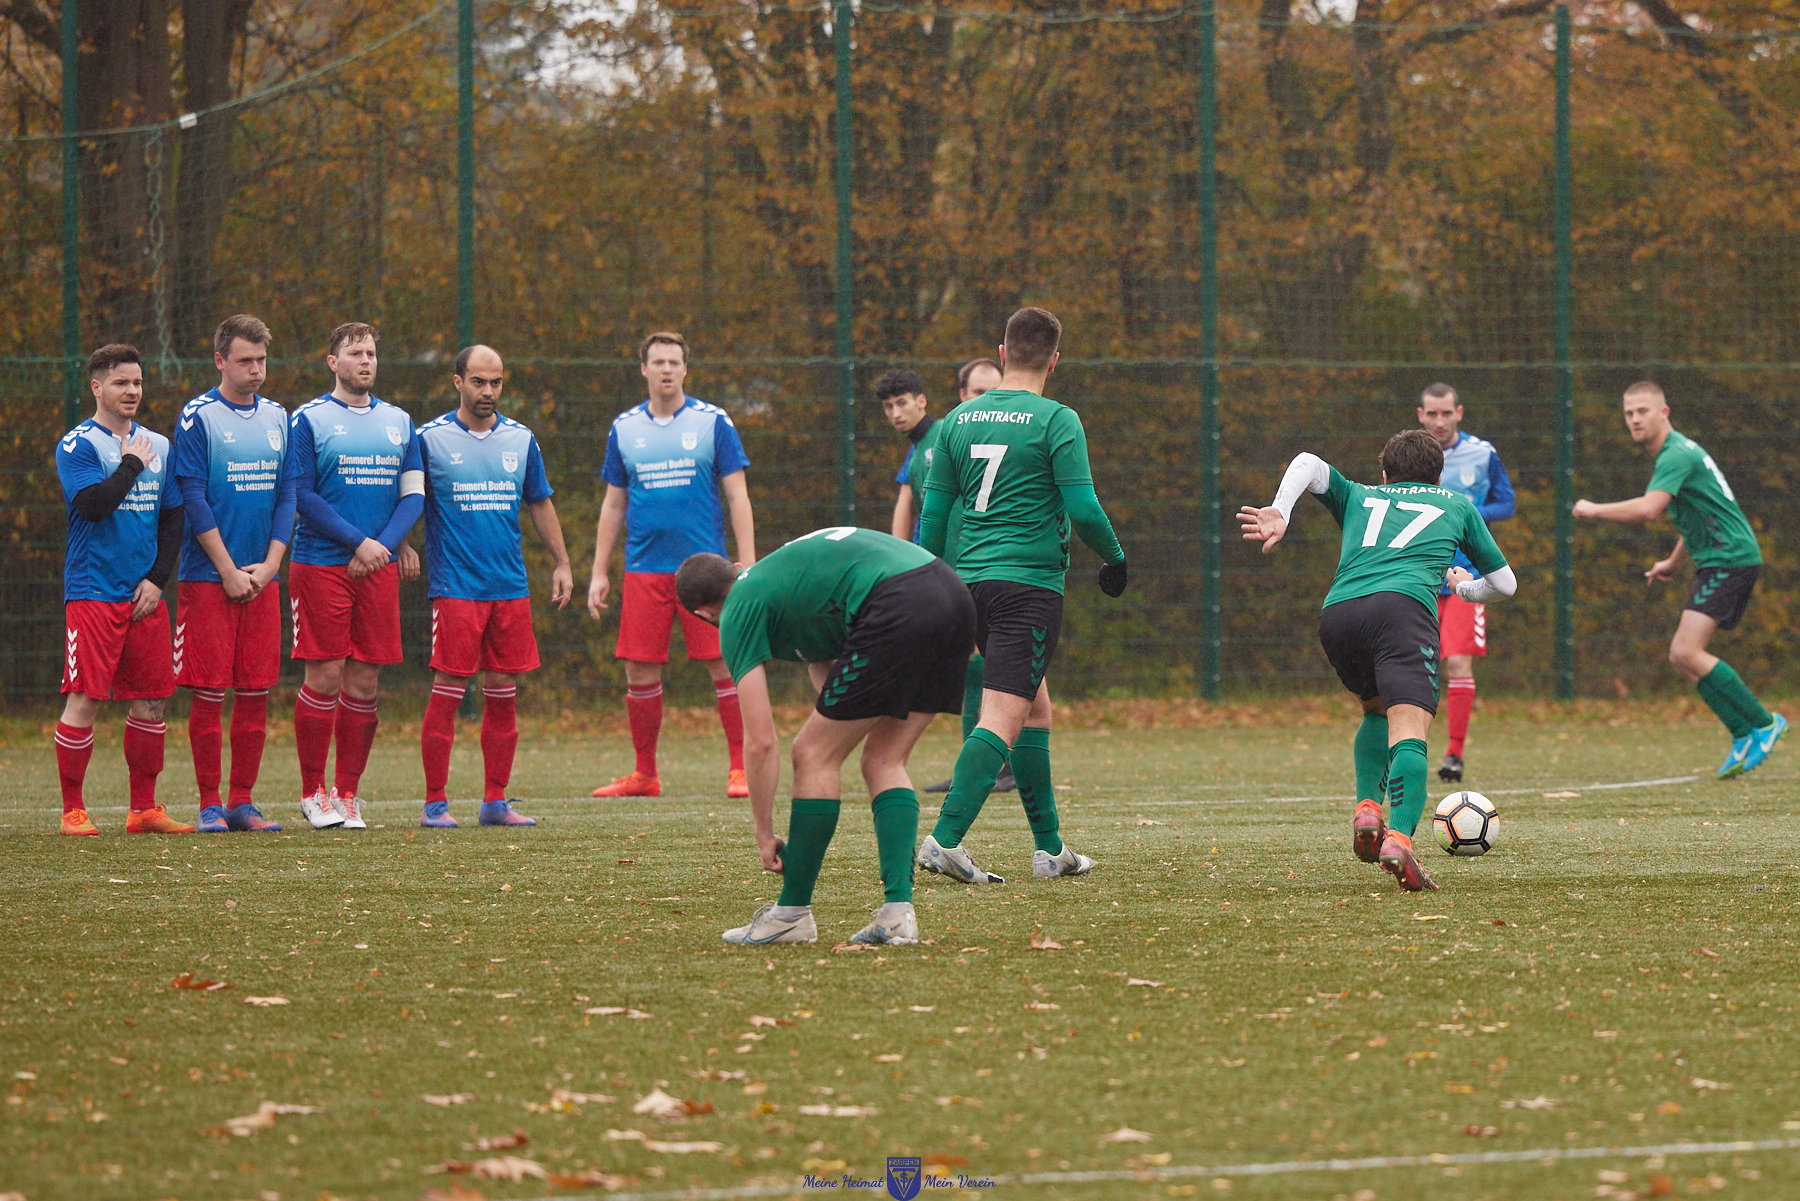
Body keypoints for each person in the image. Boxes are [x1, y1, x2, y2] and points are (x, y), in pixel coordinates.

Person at [1238, 430, 1518, 891]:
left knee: (1374, 709)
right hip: (1402, 611)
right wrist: (1462, 587)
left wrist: (1281, 511)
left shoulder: (1359, 495)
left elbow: (1307, 460)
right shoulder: (1457, 505)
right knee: (1409, 728)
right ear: (1439, 477)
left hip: (1339, 613)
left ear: (1385, 475)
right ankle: (1400, 840)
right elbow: (1505, 584)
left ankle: (1368, 809)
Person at [676, 526, 975, 946]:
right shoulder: (782, 580)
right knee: (882, 759)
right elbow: (830, 668)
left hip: (898, 600)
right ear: (737, 567)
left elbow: (761, 741)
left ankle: (791, 914)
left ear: (705, 615)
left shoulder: (738, 608)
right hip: (953, 596)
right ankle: (897, 915)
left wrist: (764, 832)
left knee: (811, 753)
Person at [915, 308, 1127, 885]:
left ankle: (1051, 850)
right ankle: (944, 839)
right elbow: (1083, 509)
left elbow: (934, 513)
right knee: (1004, 715)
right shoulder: (1057, 419)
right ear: (1055, 361)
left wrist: (925, 577)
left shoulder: (957, 420)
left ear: (1003, 354)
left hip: (969, 583)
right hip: (1027, 588)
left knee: (1034, 708)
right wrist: (1115, 558)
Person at [1573, 382, 1785, 777]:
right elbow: (1700, 514)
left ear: (1664, 412)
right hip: (1720, 559)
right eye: (1628, 413)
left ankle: (1764, 723)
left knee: (1687, 651)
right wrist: (1672, 562)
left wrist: (1594, 509)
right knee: (1680, 656)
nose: (1635, 419)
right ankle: (1743, 733)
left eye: (1642, 411)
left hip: (1729, 559)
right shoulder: (1677, 453)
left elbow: (1649, 509)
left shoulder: (1675, 454)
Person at [587, 332, 755, 799]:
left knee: (724, 665)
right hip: (644, 568)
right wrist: (599, 571)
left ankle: (740, 769)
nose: (666, 369)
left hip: (706, 570)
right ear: (643, 369)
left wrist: (748, 562)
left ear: (685, 369)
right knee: (639, 672)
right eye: (658, 361)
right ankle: (645, 774)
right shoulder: (624, 428)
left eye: (674, 362)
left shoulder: (713, 421)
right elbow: (614, 504)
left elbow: (738, 494)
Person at [417, 345, 573, 828]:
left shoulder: (521, 439)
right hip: (456, 586)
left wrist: (562, 563)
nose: (488, 391)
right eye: (479, 382)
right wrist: (400, 544)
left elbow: (540, 502)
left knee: (504, 692)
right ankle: (435, 803)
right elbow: (403, 498)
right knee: (449, 688)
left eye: (496, 382)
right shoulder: (429, 439)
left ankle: (495, 801)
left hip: (509, 586)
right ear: (457, 382)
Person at [284, 322, 423, 830]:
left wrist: (380, 547)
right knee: (324, 677)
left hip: (377, 567)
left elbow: (413, 495)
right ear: (333, 362)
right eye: (355, 352)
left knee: (364, 682)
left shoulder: (400, 422)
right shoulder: (308, 419)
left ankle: (348, 795)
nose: (366, 361)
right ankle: (312, 792)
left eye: (371, 353)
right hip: (321, 563)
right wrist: (358, 542)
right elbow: (301, 494)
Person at [54, 344, 189, 835]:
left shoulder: (160, 445)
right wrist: (130, 464)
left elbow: (173, 517)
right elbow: (92, 506)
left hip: (144, 596)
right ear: (97, 387)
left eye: (137, 382)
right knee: (85, 699)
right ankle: (73, 810)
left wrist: (157, 579)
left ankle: (144, 810)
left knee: (151, 701)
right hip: (93, 591)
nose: (132, 391)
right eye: (121, 383)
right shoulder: (78, 445)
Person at [171, 314, 294, 833]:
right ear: (220, 360)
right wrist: (226, 569)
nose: (256, 370)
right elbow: (192, 497)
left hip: (262, 577)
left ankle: (243, 802)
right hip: (209, 578)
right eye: (245, 361)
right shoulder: (197, 417)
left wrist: (271, 565)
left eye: (262, 360)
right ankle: (209, 803)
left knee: (255, 691)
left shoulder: (279, 417)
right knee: (209, 691)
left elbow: (288, 494)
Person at [906, 358, 1016, 797]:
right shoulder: (944, 440)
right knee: (975, 667)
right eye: (977, 393)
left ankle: (995, 766)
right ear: (962, 397)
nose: (987, 401)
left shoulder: (1023, 435)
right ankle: (984, 765)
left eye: (994, 391)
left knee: (996, 666)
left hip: (1005, 568)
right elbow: (921, 505)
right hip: (957, 568)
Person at [1416, 383, 1515, 783]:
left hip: (1466, 576)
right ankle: (1409, 749)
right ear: (1420, 415)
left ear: (1459, 412)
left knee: (1457, 661)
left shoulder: (1483, 453)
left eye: (1446, 413)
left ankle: (1454, 754)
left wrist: (1470, 513)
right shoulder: (1411, 455)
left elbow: (1506, 503)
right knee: (1413, 665)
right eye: (1432, 414)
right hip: (1420, 573)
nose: (1439, 421)